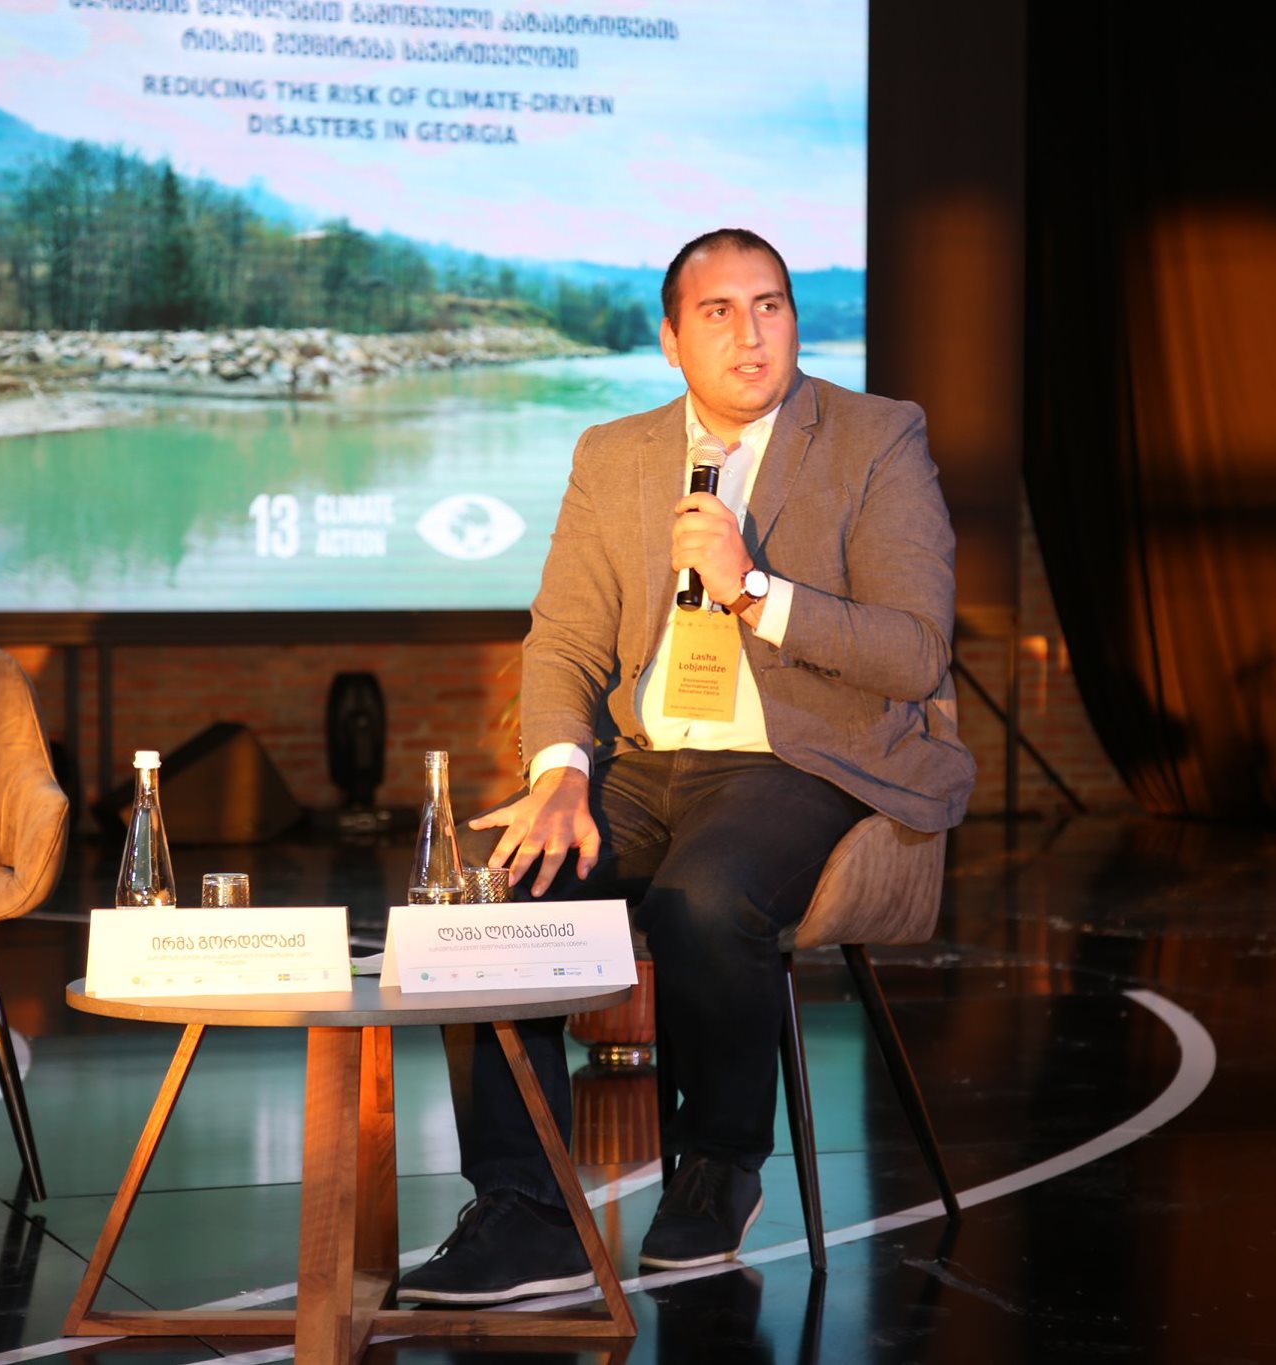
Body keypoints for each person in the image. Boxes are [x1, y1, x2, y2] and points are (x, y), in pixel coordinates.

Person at [396, 227, 975, 1305]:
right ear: (670, 340)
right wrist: (560, 771)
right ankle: (526, 1211)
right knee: (491, 904)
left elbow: (914, 651)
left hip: (800, 756)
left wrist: (754, 589)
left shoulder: (875, 436)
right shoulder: (614, 453)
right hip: (642, 759)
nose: (751, 334)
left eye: (770, 306)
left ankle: (716, 1165)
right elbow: (565, 639)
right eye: (718, 312)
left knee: (705, 897)